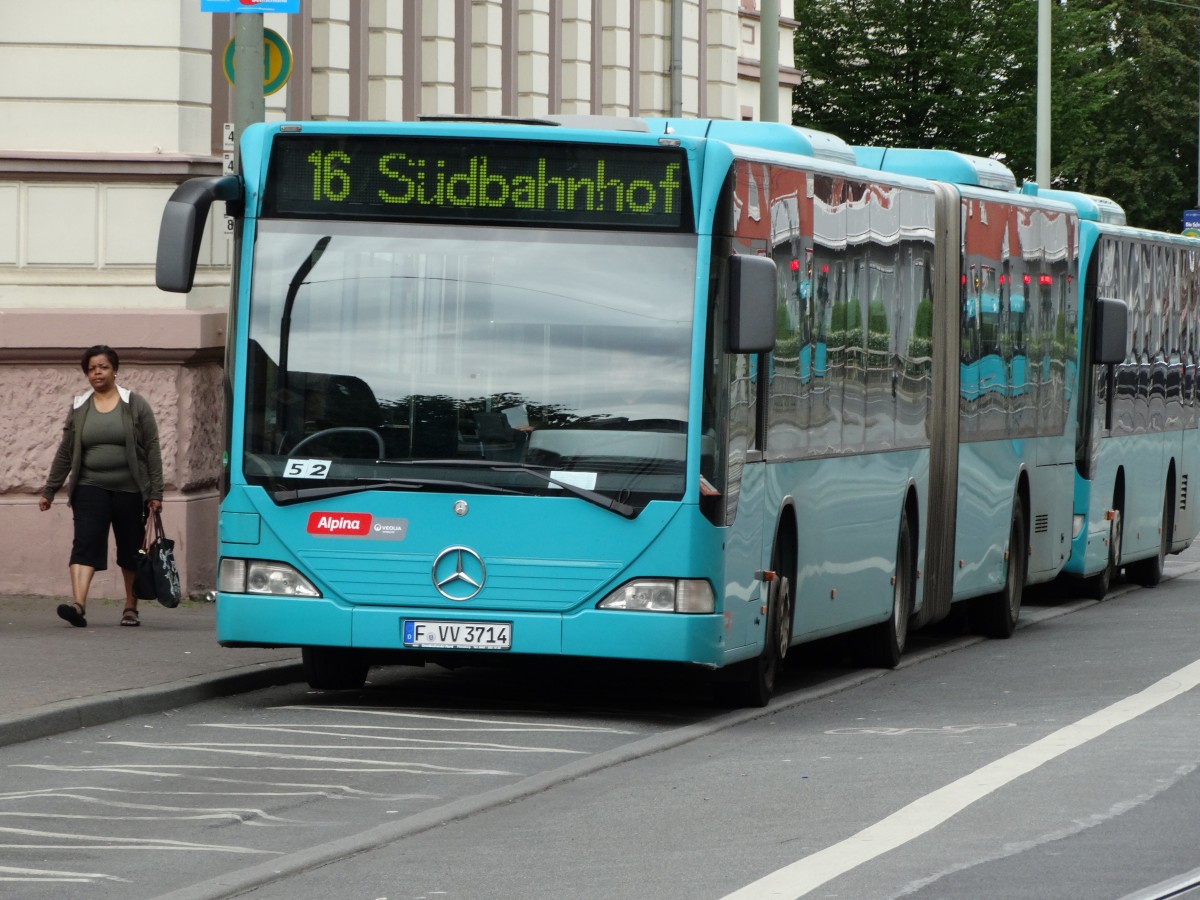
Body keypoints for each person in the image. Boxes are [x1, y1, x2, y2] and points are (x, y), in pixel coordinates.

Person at [39, 345, 164, 628]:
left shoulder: (135, 404)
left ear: (115, 370)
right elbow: (66, 451)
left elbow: (152, 449)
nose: (97, 372)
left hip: (130, 490)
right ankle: (78, 605)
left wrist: (155, 492)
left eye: (103, 367)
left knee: (130, 549)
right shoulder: (79, 407)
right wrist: (50, 489)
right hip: (89, 487)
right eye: (92, 368)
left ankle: (130, 606)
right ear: (86, 374)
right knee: (85, 542)